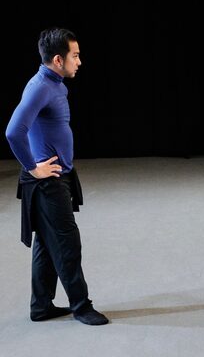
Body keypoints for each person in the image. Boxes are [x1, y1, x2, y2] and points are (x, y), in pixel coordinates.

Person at [5, 27, 109, 325]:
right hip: (46, 183)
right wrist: (32, 167)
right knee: (66, 243)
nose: (80, 61)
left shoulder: (55, 83)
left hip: (56, 178)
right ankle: (82, 306)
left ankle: (41, 307)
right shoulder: (41, 86)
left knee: (47, 246)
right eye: (75, 56)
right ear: (58, 59)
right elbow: (14, 131)